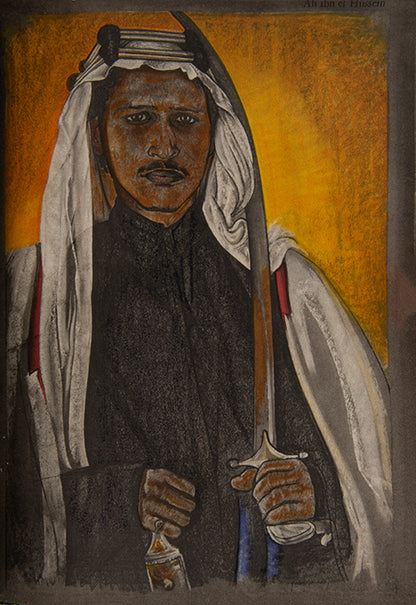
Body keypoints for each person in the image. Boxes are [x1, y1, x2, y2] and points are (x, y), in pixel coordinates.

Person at [6, 17, 391, 591]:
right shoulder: (35, 295)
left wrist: (319, 494)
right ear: (97, 136)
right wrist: (117, 500)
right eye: (138, 118)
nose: (164, 146)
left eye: (185, 121)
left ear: (215, 136)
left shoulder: (281, 286)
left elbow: (373, 483)